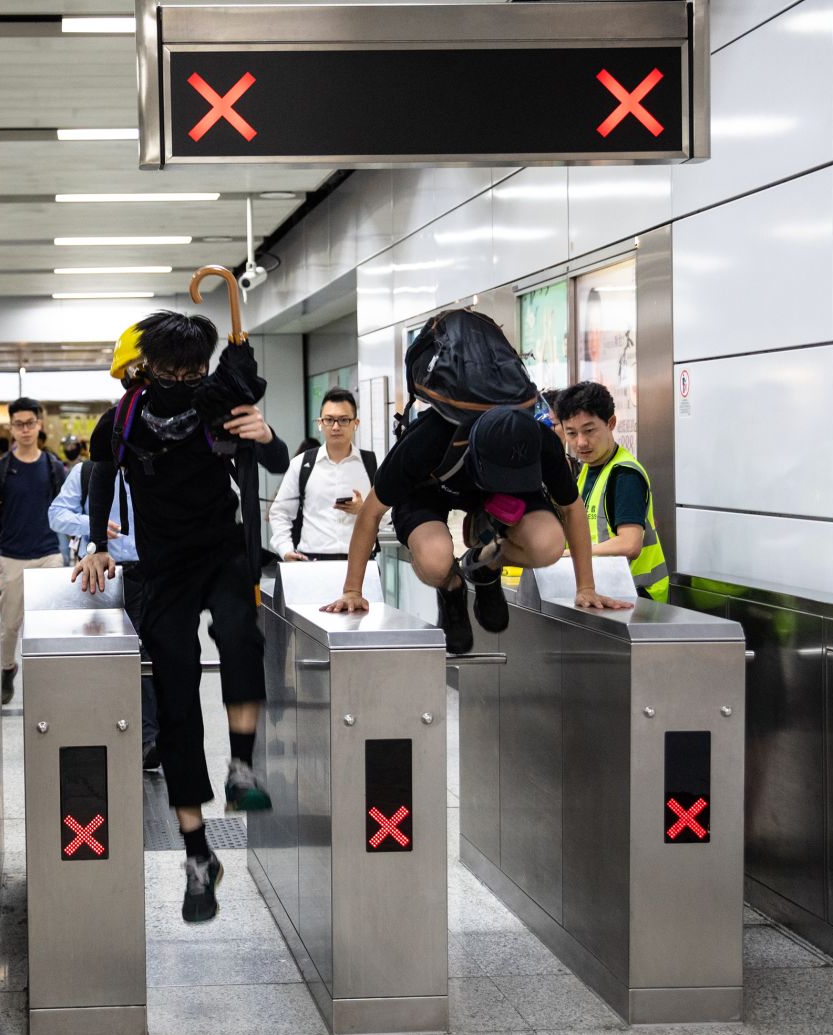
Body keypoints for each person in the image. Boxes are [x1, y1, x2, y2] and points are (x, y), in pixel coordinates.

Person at [72, 312, 289, 923]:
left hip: (222, 552)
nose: (185, 378)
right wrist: (96, 544)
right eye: (172, 368)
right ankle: (198, 855)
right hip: (161, 567)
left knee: (241, 639)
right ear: (149, 366)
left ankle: (242, 765)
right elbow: (100, 483)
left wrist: (266, 434)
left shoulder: (220, 404)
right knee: (174, 700)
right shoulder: (119, 422)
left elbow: (274, 463)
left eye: (194, 368)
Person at [320, 400, 633, 654]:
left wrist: (585, 587)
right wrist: (352, 590)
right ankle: (452, 588)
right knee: (435, 560)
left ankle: (486, 564)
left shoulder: (539, 440)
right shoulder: (427, 440)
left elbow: (571, 509)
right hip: (429, 491)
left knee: (548, 545)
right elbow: (370, 514)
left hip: (500, 495)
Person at [48, 336, 160, 773]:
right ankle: (104, 730)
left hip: (149, 572)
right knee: (108, 660)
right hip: (105, 577)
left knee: (150, 659)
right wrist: (94, 533)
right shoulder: (90, 470)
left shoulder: (157, 466)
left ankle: (151, 741)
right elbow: (57, 514)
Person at [0, 398, 66, 702]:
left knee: (50, 623)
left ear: (39, 425)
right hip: (12, 557)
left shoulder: (54, 467)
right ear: (11, 427)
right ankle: (7, 668)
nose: (25, 429)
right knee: (9, 626)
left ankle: (48, 676)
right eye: (19, 424)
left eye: (31, 423)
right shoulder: (1, 469)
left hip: (49, 554)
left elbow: (66, 510)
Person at [554, 380, 668, 601]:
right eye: (571, 433)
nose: (581, 442)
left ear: (611, 423)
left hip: (637, 597)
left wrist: (569, 556)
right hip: (604, 590)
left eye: (589, 430)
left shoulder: (624, 475)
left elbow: (630, 544)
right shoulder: (587, 471)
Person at [269, 387, 376, 562]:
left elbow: (390, 513)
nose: (335, 427)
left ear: (355, 423)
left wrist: (364, 511)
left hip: (362, 563)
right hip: (313, 563)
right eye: (329, 420)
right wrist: (285, 549)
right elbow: (279, 512)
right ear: (320, 423)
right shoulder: (301, 464)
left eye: (343, 420)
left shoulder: (371, 463)